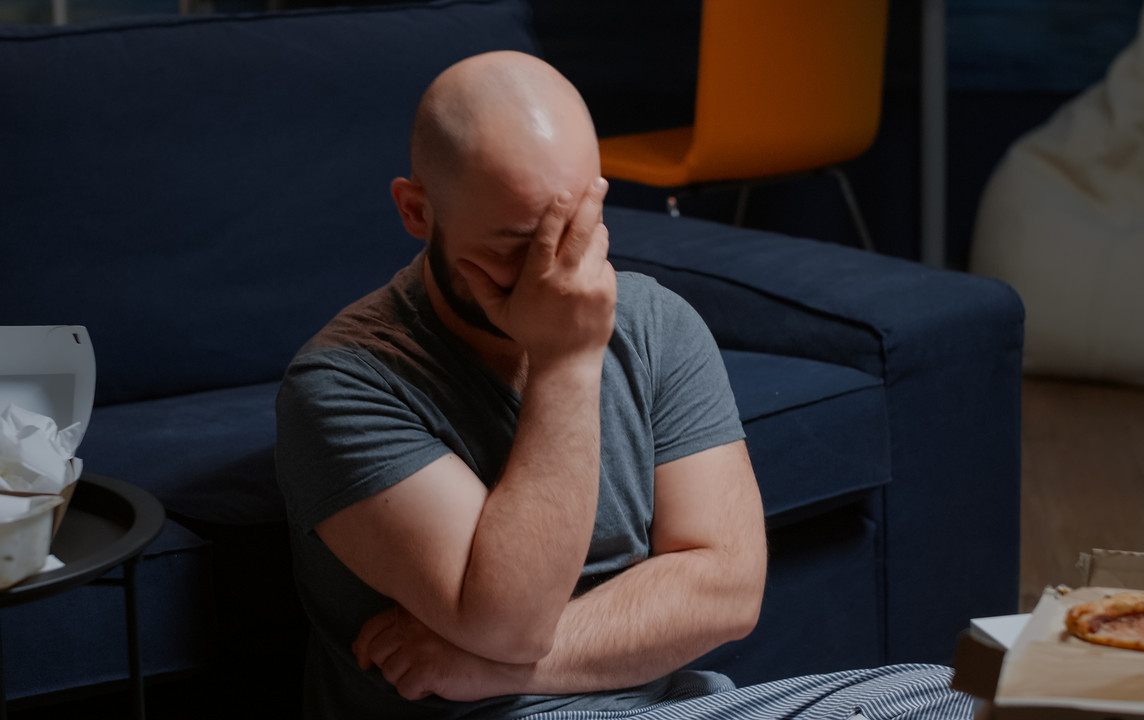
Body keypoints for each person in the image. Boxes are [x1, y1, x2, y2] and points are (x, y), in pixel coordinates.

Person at [275, 50, 973, 720]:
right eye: (518, 245)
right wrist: (567, 359)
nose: (560, 269)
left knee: (970, 692)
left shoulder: (654, 320)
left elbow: (727, 590)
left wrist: (494, 669)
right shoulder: (343, 385)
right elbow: (509, 622)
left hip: (678, 705)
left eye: (581, 224)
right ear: (417, 212)